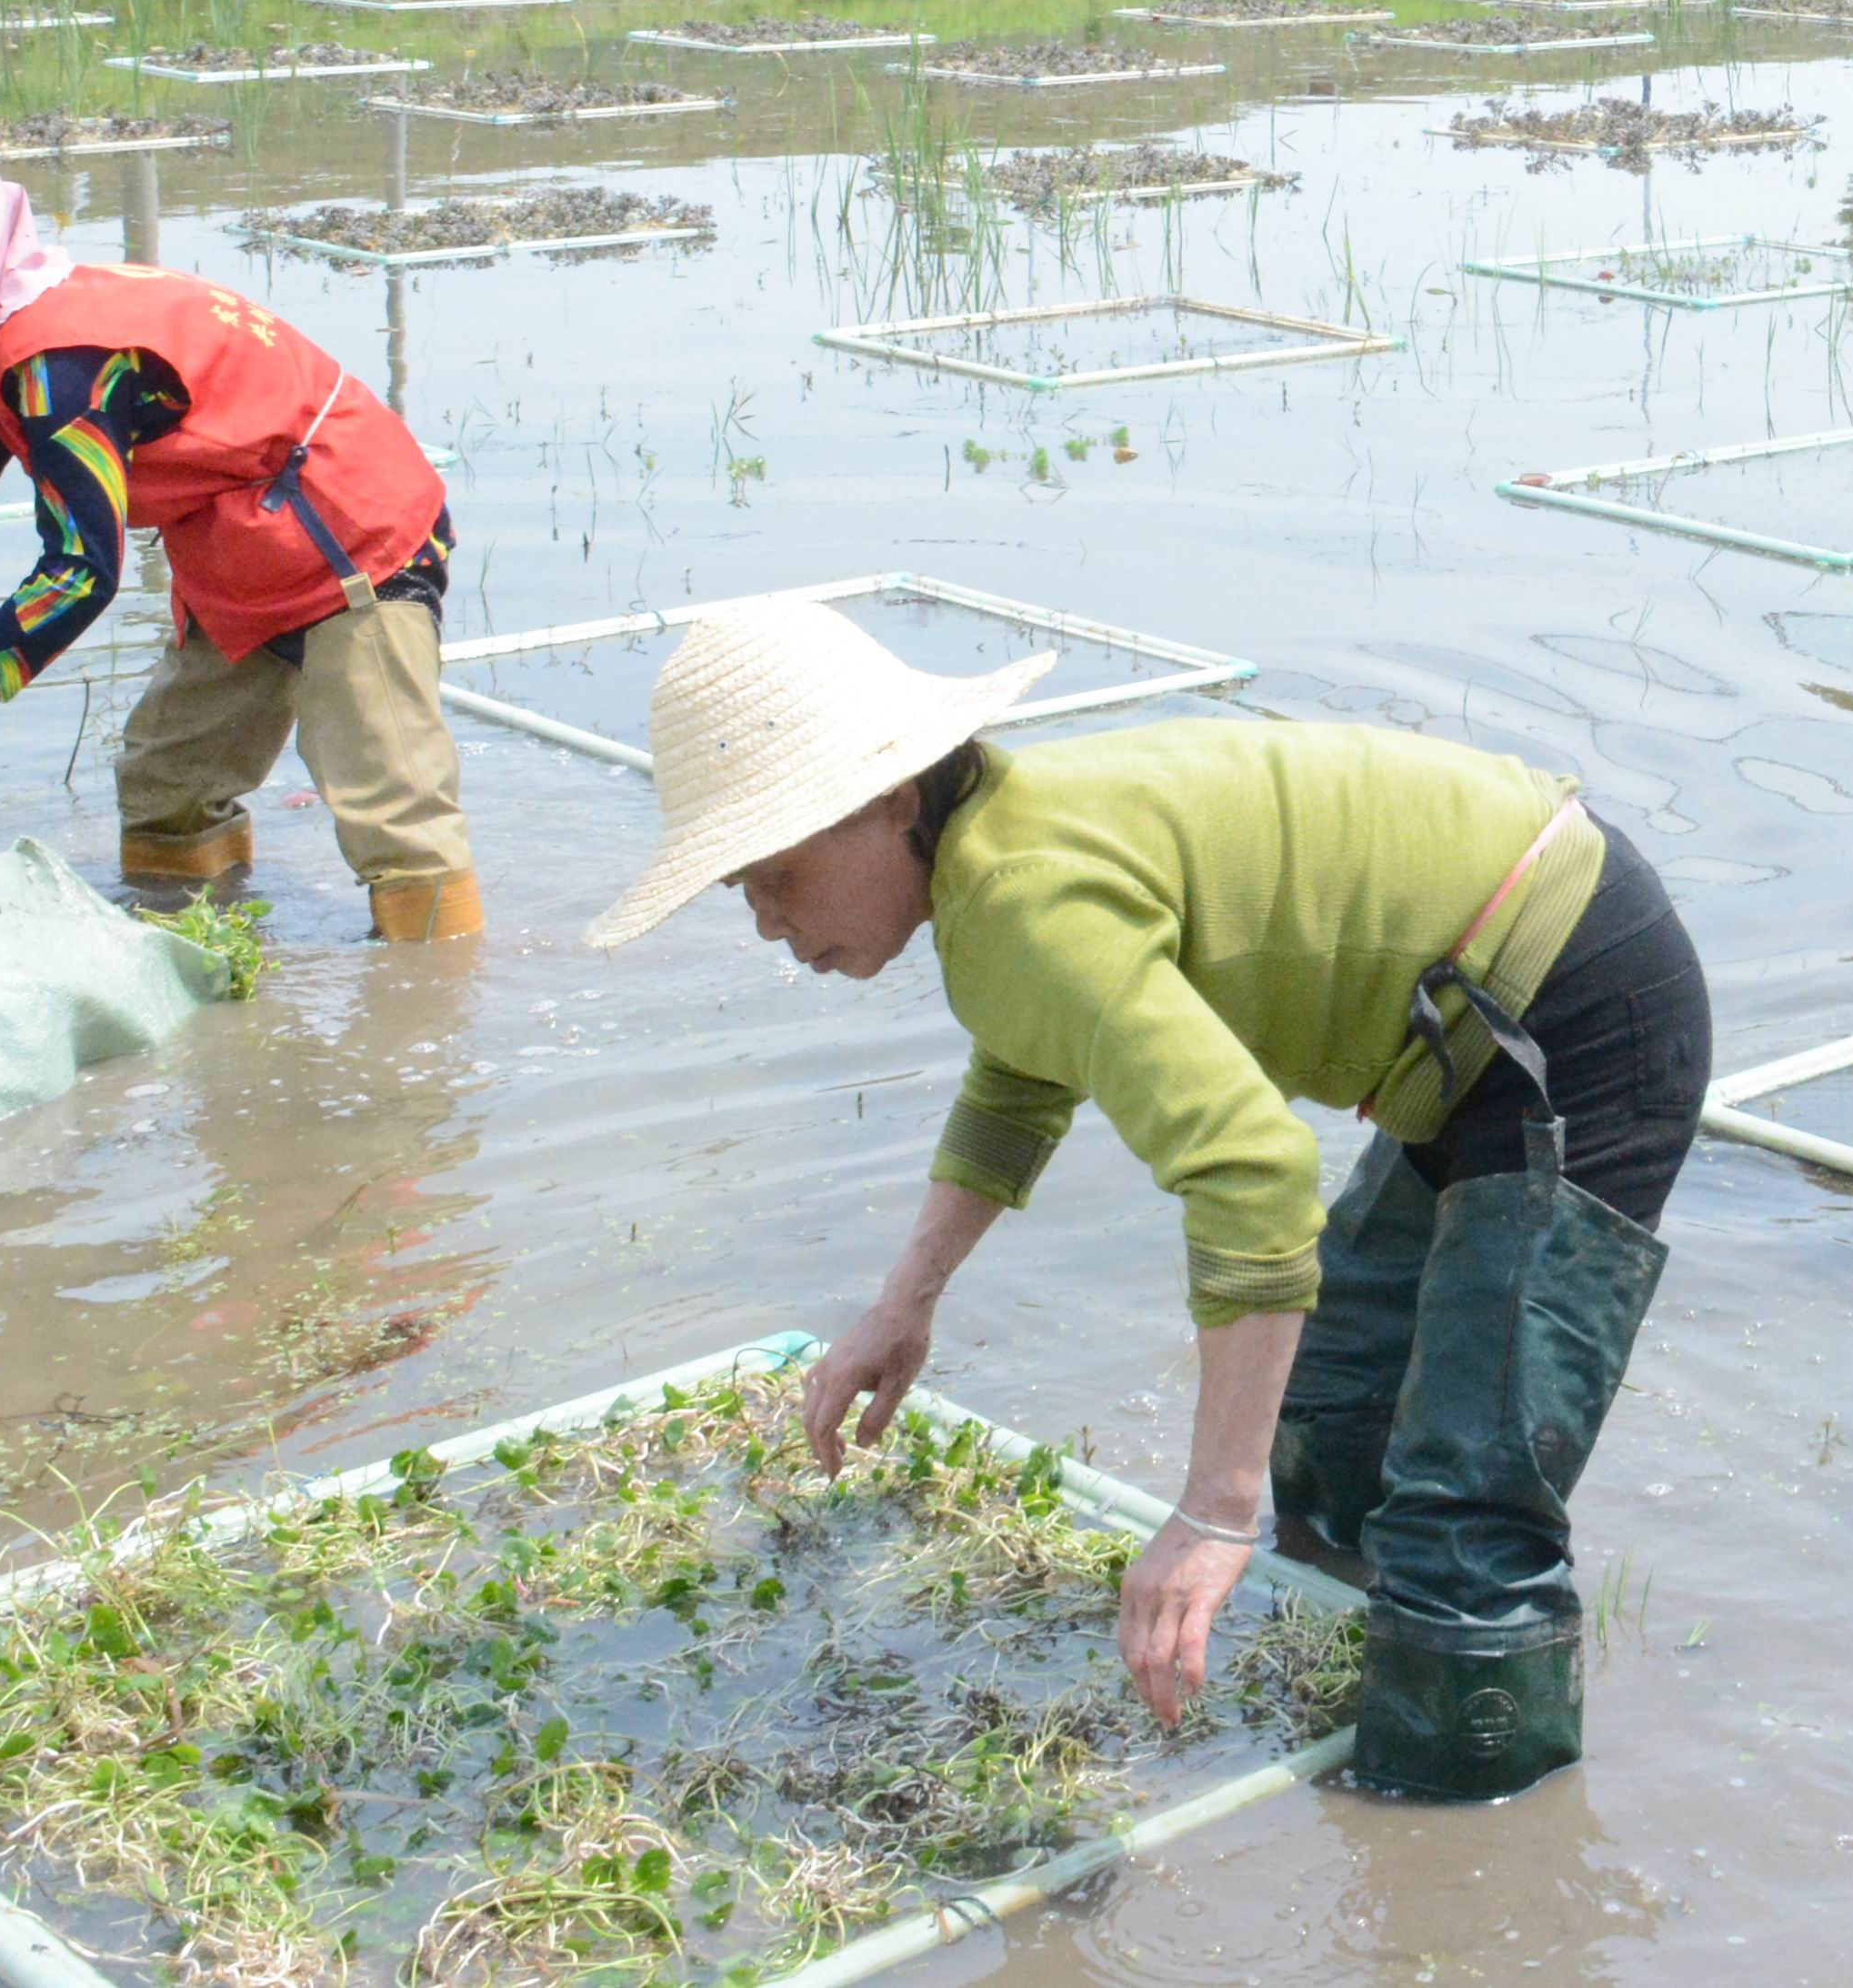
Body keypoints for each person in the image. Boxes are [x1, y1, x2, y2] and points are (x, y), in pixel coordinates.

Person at [579, 596, 1712, 1804]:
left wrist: (1210, 1515)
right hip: (1475, 1019)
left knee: (1463, 1526)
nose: (765, 921)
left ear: (892, 797)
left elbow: (1253, 1174)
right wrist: (901, 1307)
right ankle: (1357, 1698)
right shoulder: (995, 864)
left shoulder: (1016, 896)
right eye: (739, 890)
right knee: (1330, 1405)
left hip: (1569, 1014)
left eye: (776, 872)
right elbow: (1024, 1067)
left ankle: (1470, 1834)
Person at [0, 155, 482, 942]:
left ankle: (425, 1019)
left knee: (392, 812)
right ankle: (199, 960)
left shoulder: (58, 367)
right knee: (166, 782)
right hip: (239, 551)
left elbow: (80, 573)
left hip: (352, 544)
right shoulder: (3, 349)